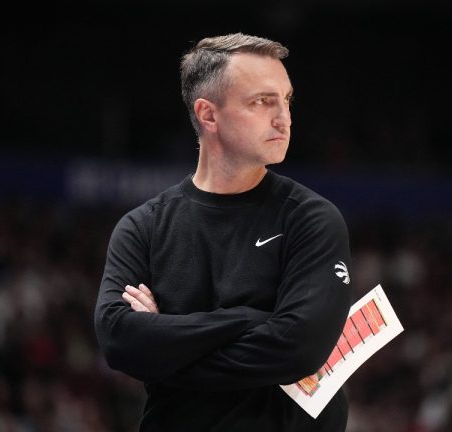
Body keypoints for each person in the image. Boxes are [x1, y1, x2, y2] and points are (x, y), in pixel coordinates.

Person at [94, 33, 353, 431]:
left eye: (286, 100)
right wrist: (251, 320)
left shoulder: (311, 219)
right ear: (208, 115)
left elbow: (300, 348)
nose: (283, 118)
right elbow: (118, 340)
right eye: (262, 101)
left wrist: (166, 346)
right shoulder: (142, 227)